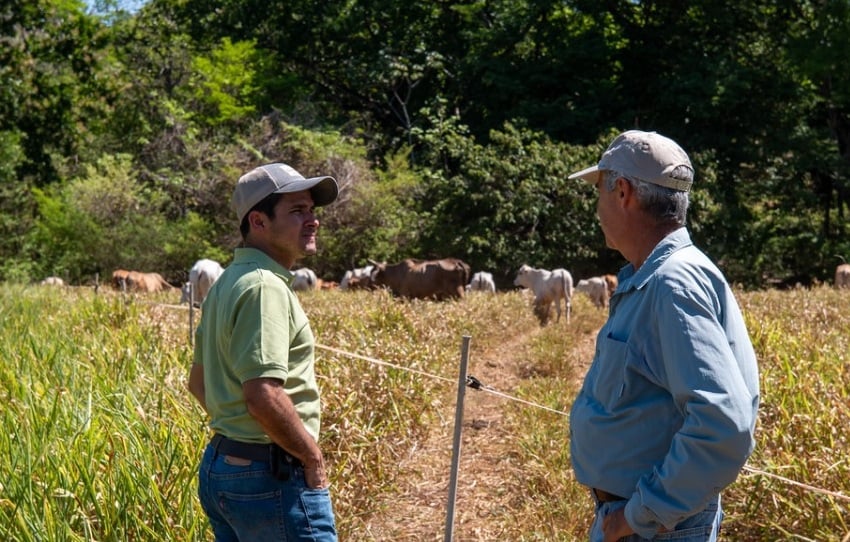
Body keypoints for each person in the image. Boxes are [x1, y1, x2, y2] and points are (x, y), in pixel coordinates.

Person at [567, 130, 759, 542]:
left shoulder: (672, 284)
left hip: (653, 527)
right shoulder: (657, 276)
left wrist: (636, 516)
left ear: (623, 193)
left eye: (599, 190)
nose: (596, 207)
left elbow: (724, 425)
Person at [188, 162, 339, 541]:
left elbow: (198, 382)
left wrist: (238, 434)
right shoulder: (264, 288)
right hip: (271, 475)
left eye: (312, 210)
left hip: (223, 466)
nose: (313, 220)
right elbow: (264, 395)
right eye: (297, 210)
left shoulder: (226, 283)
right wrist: (310, 456)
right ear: (258, 221)